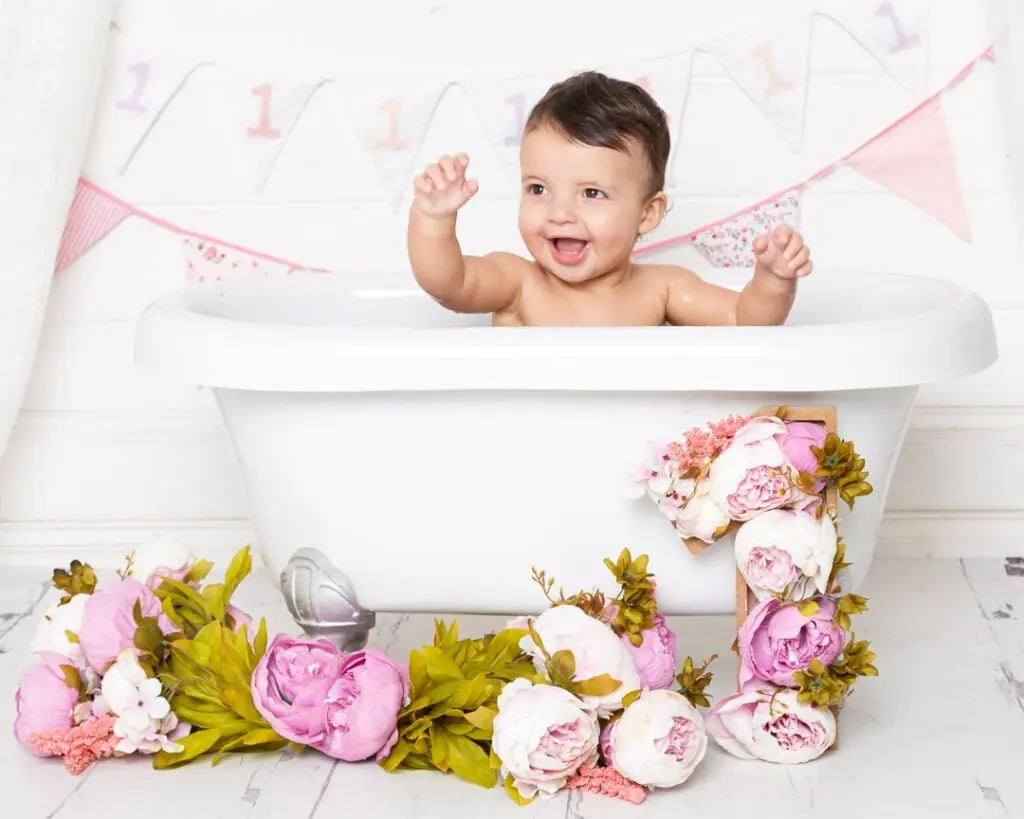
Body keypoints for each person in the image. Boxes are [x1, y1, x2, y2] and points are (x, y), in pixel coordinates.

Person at [407, 70, 813, 327]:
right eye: (538, 189)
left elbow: (746, 321)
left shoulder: (661, 289)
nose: (559, 213)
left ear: (648, 213)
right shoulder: (519, 283)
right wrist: (432, 219)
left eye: (592, 193)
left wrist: (774, 280)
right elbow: (447, 282)